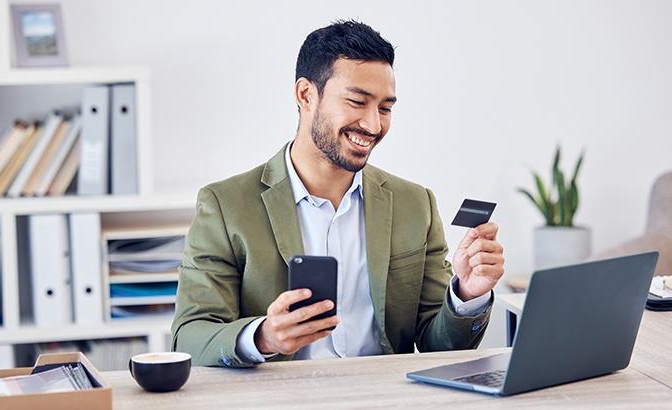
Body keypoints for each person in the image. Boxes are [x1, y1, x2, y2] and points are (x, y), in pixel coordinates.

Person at [171, 19, 505, 367]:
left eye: (385, 108)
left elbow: (440, 348)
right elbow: (191, 336)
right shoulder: (225, 206)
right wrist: (264, 336)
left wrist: (466, 294)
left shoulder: (415, 204)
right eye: (357, 102)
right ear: (306, 95)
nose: (374, 125)